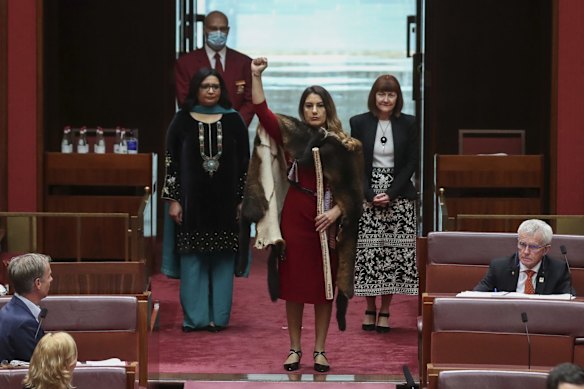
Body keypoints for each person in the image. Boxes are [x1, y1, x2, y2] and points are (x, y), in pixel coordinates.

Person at [247, 57, 363, 372]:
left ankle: (320, 351)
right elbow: (262, 113)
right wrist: (256, 76)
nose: (313, 110)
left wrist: (336, 211)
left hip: (328, 224)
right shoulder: (293, 135)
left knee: (325, 287)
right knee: (295, 286)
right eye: (308, 105)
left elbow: (355, 192)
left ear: (328, 110)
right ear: (302, 110)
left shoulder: (343, 145)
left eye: (319, 105)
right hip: (296, 217)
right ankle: (295, 349)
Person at [161, 67, 250, 332]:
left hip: (226, 204)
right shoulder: (181, 120)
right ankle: (196, 319)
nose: (211, 91)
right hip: (191, 206)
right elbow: (171, 162)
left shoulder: (234, 121)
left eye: (215, 86)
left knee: (222, 260)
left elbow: (245, 164)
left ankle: (219, 319)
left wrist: (242, 200)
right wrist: (174, 200)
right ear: (196, 90)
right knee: (193, 261)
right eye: (205, 86)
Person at [349, 74, 419, 333]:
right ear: (373, 96)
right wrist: (369, 194)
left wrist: (391, 192)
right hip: (368, 194)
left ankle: (386, 310)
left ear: (397, 98)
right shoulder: (358, 122)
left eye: (391, 94)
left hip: (398, 194)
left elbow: (411, 162)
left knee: (392, 256)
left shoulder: (409, 123)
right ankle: (369, 307)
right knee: (369, 254)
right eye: (381, 94)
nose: (386, 99)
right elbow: (355, 163)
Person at [175, 10, 254, 127]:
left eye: (222, 29)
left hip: (235, 134)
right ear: (204, 30)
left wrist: (235, 125)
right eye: (213, 28)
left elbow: (251, 100)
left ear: (228, 31)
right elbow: (185, 100)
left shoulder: (244, 63)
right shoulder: (186, 63)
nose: (218, 33)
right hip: (198, 131)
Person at [474, 219, 573, 294]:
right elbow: (476, 296)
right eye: (522, 244)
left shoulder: (558, 270)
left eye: (533, 247)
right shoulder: (499, 267)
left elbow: (567, 303)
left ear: (546, 250)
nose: (526, 251)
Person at [0, 253, 52, 362]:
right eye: (49, 276)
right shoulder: (25, 324)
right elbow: (41, 368)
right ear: (38, 283)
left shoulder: (9, 310)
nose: (51, 279)